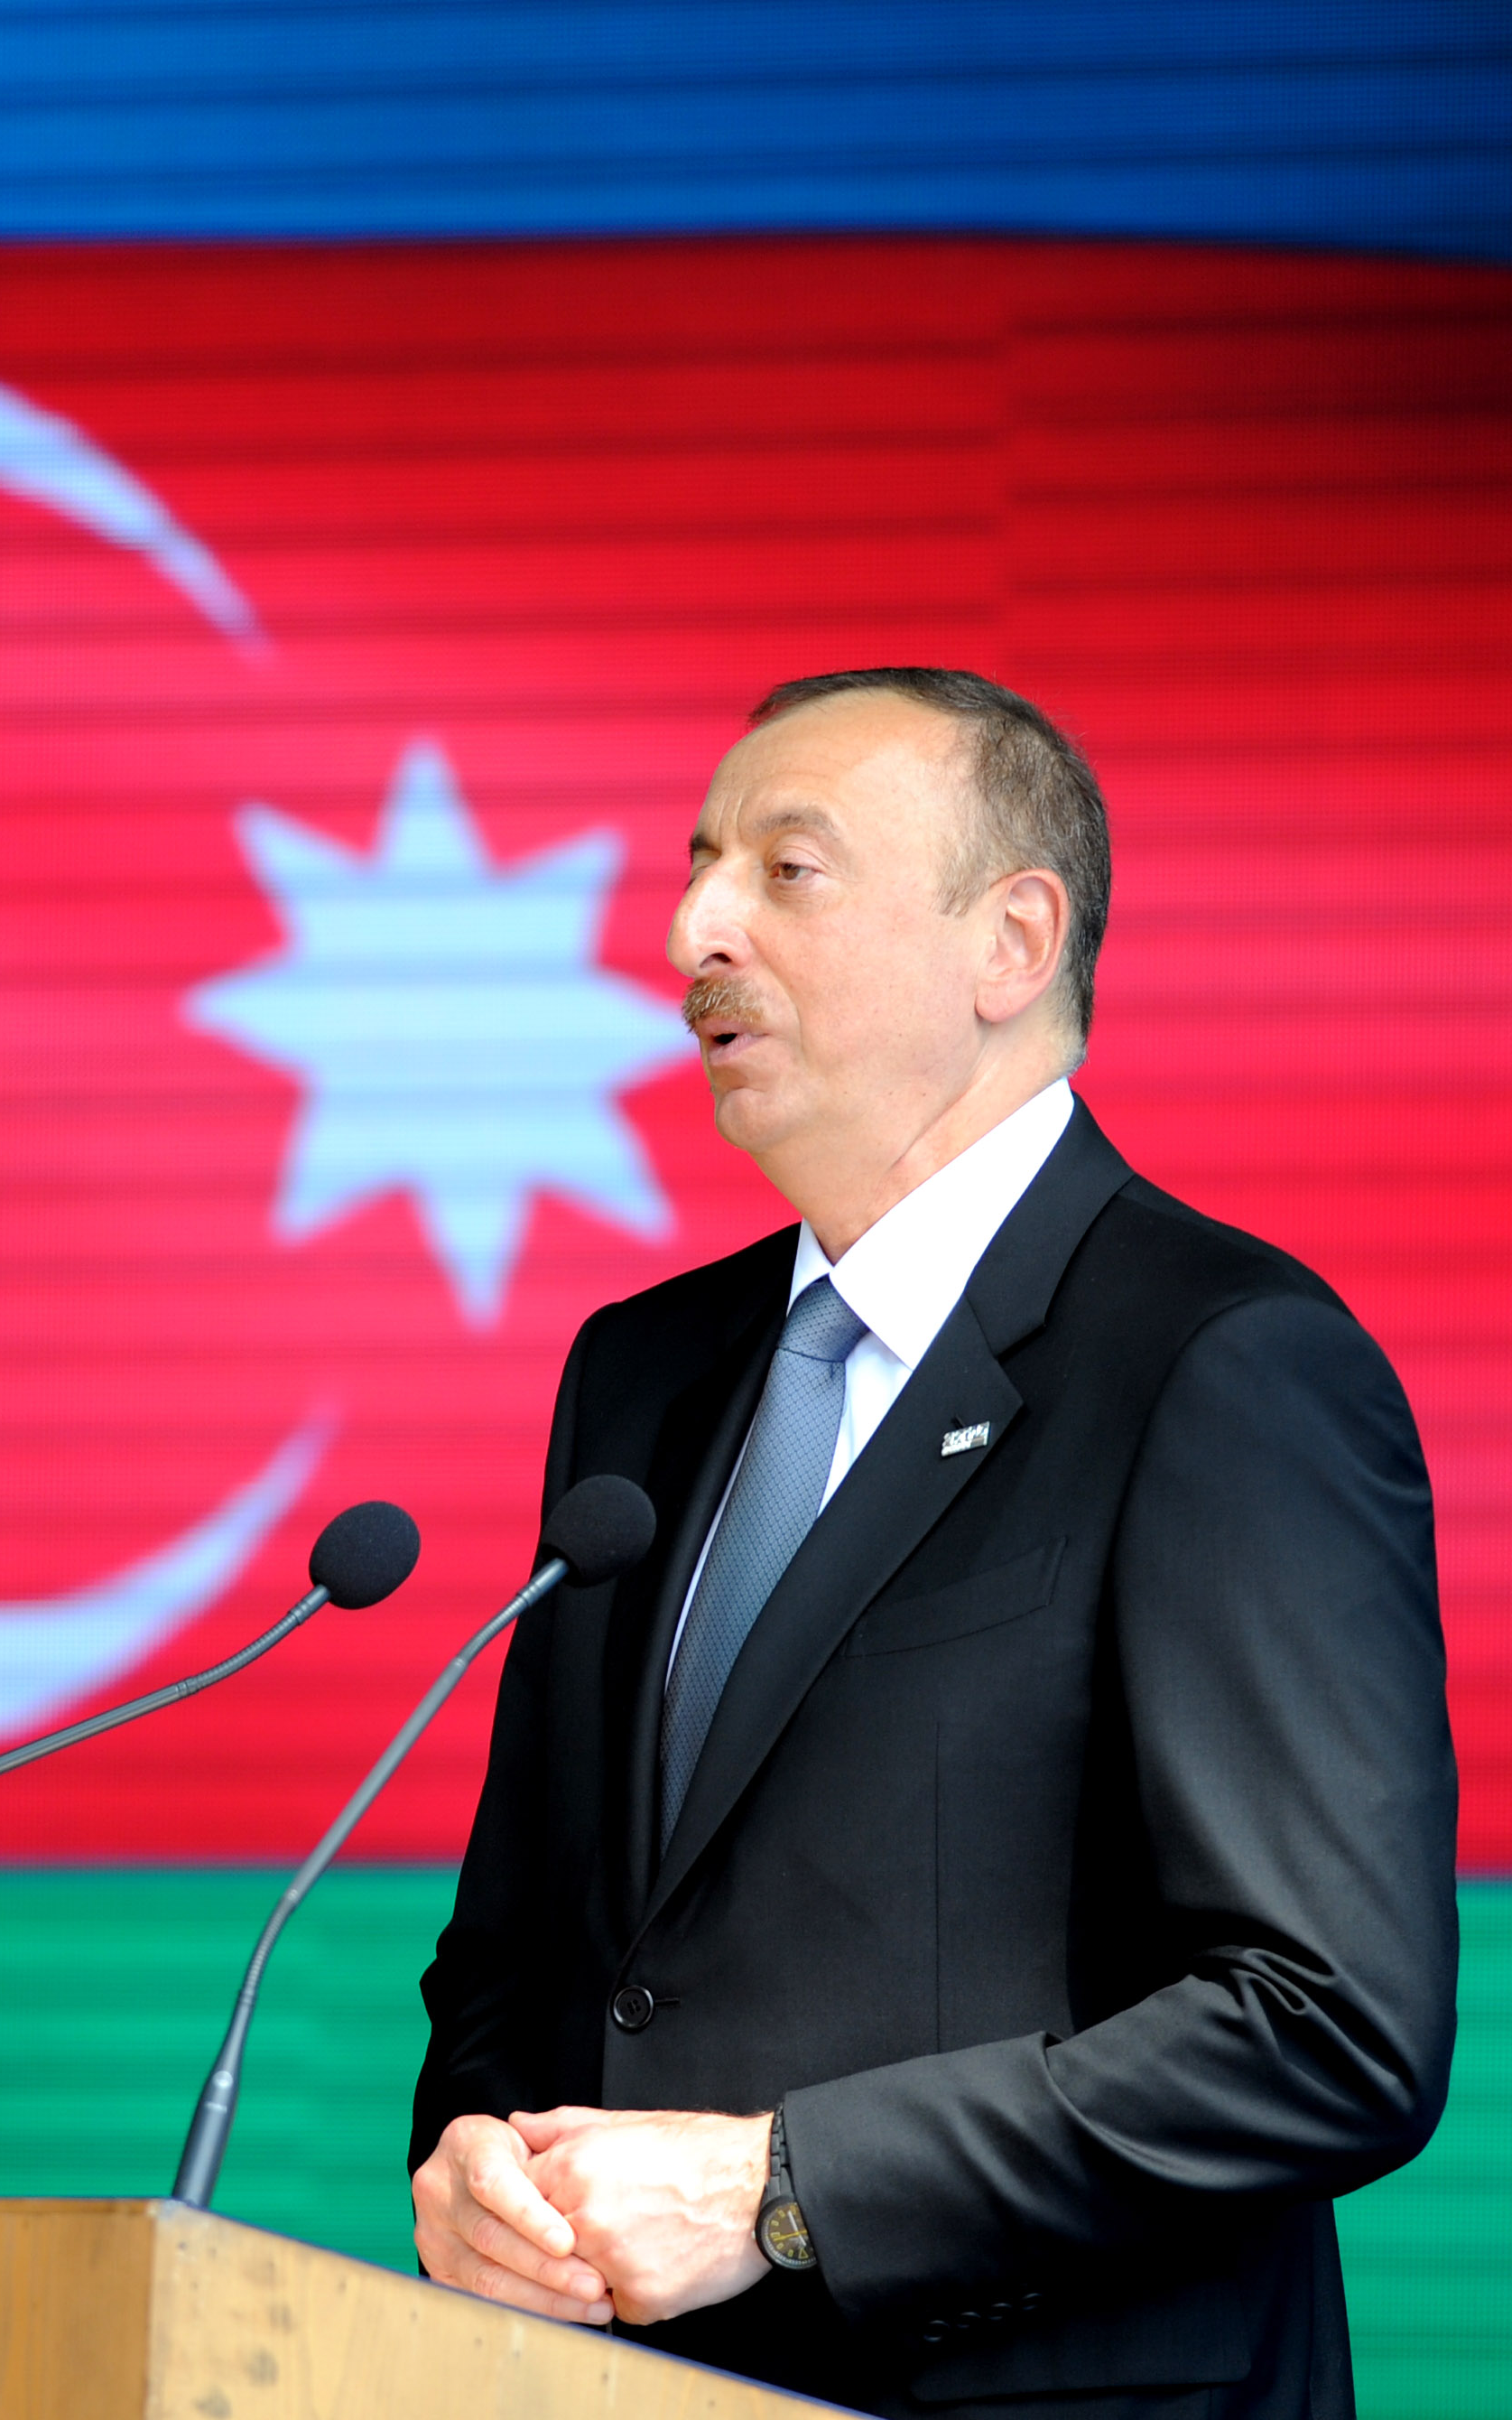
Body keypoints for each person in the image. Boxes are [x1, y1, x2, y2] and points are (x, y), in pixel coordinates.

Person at [409, 668, 1457, 2420]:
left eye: (784, 870)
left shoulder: (1218, 1359)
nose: (690, 931)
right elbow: (524, 1948)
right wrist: (474, 2158)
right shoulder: (639, 1375)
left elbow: (1328, 2025)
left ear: (1011, 941)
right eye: (695, 866)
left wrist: (784, 2187)